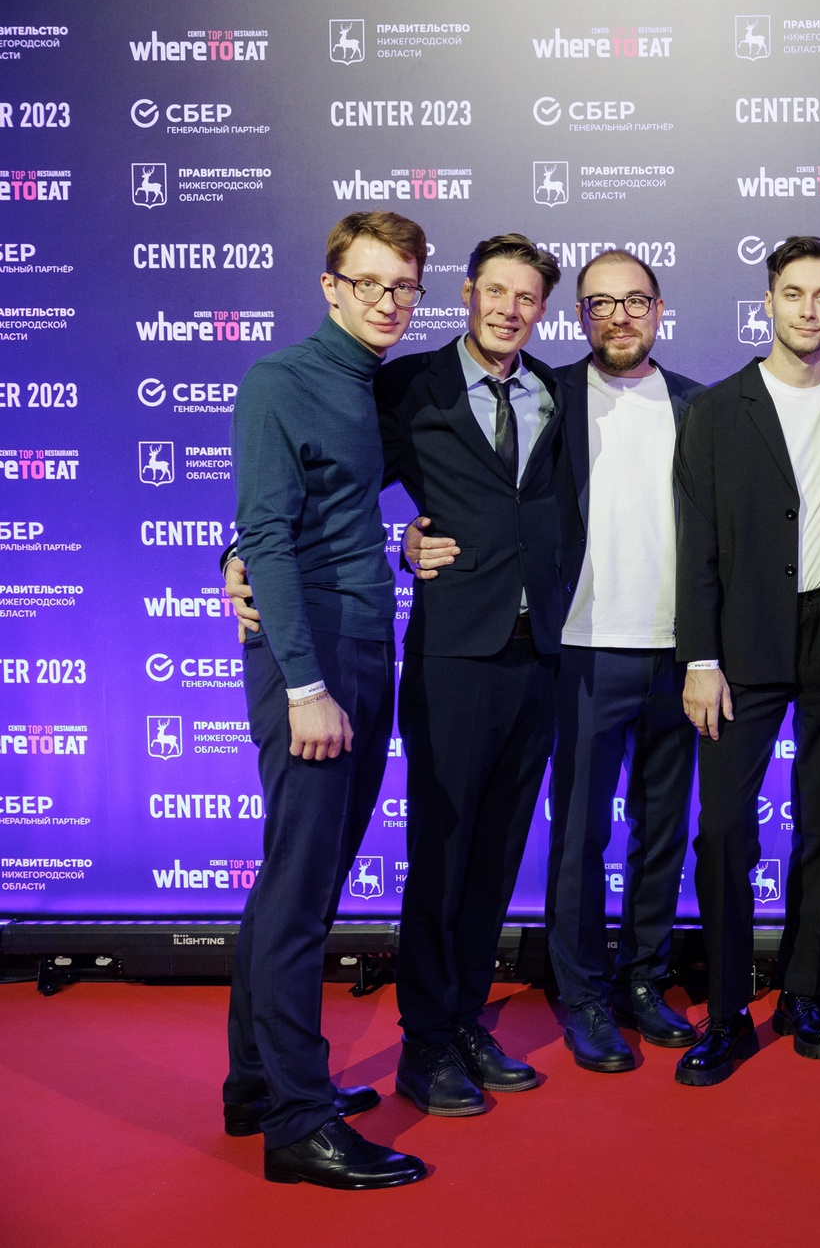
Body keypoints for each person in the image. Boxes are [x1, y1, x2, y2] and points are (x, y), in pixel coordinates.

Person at [220, 211, 427, 1189]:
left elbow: (327, 508)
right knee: (301, 891)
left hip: (365, 645)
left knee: (296, 881)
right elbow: (263, 525)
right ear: (329, 285)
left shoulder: (373, 387)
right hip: (312, 658)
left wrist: (413, 539)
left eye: (403, 285)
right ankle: (299, 1123)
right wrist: (304, 685)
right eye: (369, 282)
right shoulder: (281, 378)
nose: (387, 301)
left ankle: (256, 1083)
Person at [371, 235, 566, 1113]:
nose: (508, 310)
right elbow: (335, 483)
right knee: (442, 852)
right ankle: (424, 1038)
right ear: (467, 293)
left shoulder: (555, 392)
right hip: (453, 653)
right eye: (496, 291)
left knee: (496, 854)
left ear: (541, 309)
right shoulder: (409, 386)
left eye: (526, 298)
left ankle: (463, 1018)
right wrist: (399, 541)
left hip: (540, 654)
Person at [672, 237, 820, 1085]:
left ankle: (804, 992)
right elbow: (695, 545)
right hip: (740, 637)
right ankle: (725, 1009)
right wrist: (699, 657)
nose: (808, 309)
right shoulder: (717, 409)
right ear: (768, 300)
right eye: (794, 293)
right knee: (722, 829)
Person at [535, 250, 704, 1072]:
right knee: (579, 835)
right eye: (600, 303)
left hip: (679, 654)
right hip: (581, 652)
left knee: (661, 831)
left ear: (659, 309)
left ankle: (643, 976)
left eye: (634, 300)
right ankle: (581, 993)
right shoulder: (545, 397)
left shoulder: (699, 406)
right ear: (579, 316)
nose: (619, 317)